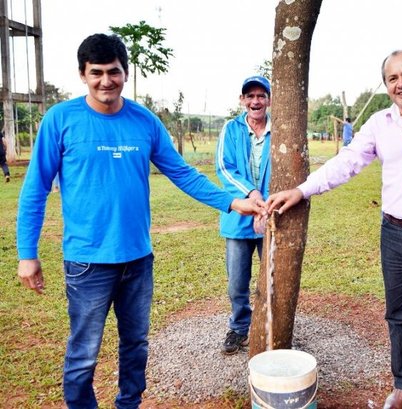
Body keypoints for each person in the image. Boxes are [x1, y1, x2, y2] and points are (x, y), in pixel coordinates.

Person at [16, 33, 265, 409]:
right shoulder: (60, 120)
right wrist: (26, 253)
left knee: (136, 344)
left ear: (125, 73)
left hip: (137, 259)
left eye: (113, 72)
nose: (105, 81)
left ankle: (128, 404)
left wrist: (232, 201)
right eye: (96, 72)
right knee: (84, 354)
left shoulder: (143, 121)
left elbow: (182, 173)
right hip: (87, 263)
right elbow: (34, 189)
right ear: (82, 75)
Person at [267, 50, 402, 409]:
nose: (401, 83)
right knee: (398, 314)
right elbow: (347, 162)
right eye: (392, 78)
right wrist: (301, 190)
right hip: (394, 233)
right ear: (387, 85)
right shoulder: (379, 124)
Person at [215, 75, 271, 355]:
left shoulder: (280, 128)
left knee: (272, 277)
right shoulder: (231, 128)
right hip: (238, 220)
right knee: (238, 282)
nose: (255, 101)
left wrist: (267, 205)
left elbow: (287, 171)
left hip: (272, 216)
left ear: (269, 100)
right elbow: (224, 169)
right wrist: (252, 194)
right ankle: (238, 328)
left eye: (261, 95)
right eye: (250, 96)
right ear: (242, 100)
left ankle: (271, 328)